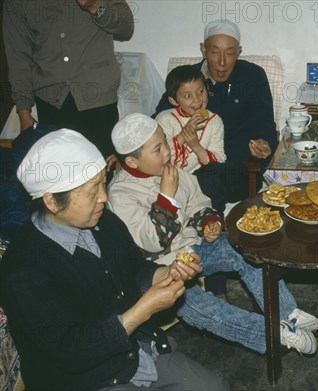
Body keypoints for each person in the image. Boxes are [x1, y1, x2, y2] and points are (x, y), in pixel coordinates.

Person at [0, 129, 228, 390]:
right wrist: (144, 309)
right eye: (91, 191)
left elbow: (135, 268)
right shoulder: (23, 269)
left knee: (213, 386)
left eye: (103, 182)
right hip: (87, 378)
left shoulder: (102, 221)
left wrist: (167, 273)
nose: (104, 197)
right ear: (52, 201)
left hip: (133, 351)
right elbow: (71, 351)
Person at [107, 113, 318, 355]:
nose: (167, 152)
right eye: (157, 149)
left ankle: (287, 313)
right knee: (194, 305)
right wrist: (166, 196)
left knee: (242, 247)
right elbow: (154, 242)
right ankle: (274, 333)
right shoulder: (120, 194)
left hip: (192, 250)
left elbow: (197, 202)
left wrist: (208, 221)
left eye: (166, 143)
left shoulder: (170, 170)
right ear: (133, 162)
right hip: (159, 268)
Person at [153, 19, 277, 200]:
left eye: (230, 53)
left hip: (236, 169)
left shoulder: (252, 76)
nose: (221, 62)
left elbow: (265, 121)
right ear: (203, 49)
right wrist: (131, 150)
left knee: (206, 178)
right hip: (186, 165)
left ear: (239, 52)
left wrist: (265, 144)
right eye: (214, 52)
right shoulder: (187, 79)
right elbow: (157, 119)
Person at [3, 0, 133, 158]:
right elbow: (18, 58)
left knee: (102, 170)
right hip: (50, 103)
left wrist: (96, 7)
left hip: (99, 98)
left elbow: (126, 29)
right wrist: (23, 111)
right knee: (58, 173)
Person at [155, 65, 227, 211]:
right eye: (187, 96)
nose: (197, 100)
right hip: (169, 178)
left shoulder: (215, 121)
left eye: (201, 91)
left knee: (215, 177)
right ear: (174, 101)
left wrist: (195, 145)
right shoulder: (165, 119)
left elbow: (219, 159)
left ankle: (214, 220)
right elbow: (159, 156)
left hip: (199, 181)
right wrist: (182, 136)